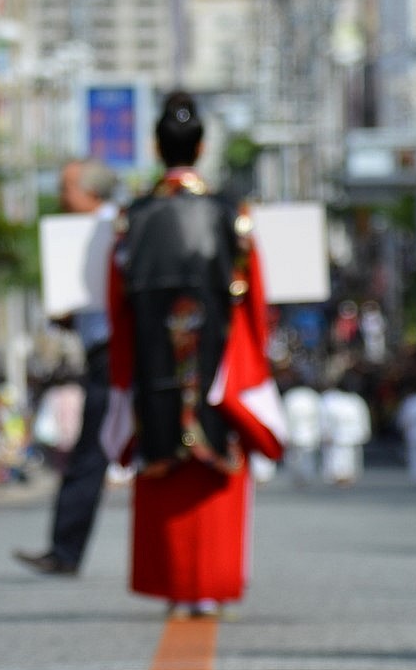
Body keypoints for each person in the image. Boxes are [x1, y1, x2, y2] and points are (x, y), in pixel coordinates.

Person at [104, 92, 282, 617]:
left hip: (153, 367)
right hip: (218, 367)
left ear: (156, 147)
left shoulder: (130, 218)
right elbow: (254, 300)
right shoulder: (232, 215)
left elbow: (118, 308)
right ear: (202, 147)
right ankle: (212, 584)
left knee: (165, 471)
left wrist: (121, 375)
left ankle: (174, 586)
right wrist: (253, 366)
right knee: (215, 476)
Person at [16, 158, 119, 576]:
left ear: (91, 191)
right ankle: (64, 549)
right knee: (90, 452)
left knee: (95, 451)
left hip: (120, 354)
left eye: (66, 187)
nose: (60, 197)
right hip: (100, 352)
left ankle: (66, 549)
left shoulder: (117, 229)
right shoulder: (82, 236)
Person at [320, 380, 371, 486]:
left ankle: (346, 476)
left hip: (348, 434)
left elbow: (362, 418)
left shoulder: (354, 400)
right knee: (337, 456)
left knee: (348, 456)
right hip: (337, 434)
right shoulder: (332, 399)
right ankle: (339, 476)